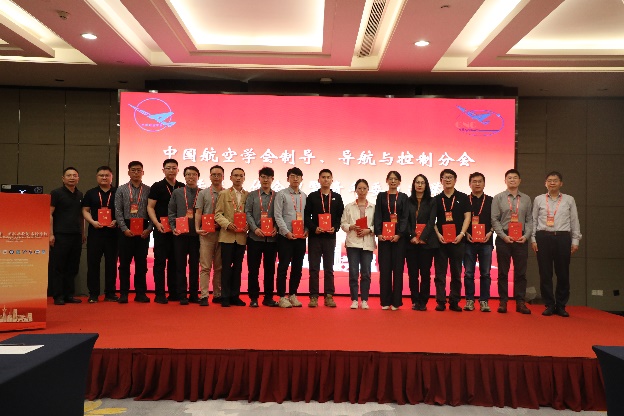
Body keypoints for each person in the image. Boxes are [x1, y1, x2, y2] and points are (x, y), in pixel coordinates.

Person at [531, 171, 581, 317]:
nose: (552, 183)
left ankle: (561, 305)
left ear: (561, 183)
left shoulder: (569, 199)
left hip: (562, 237)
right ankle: (549, 304)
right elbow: (534, 220)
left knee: (563, 273)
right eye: (549, 180)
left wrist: (575, 240)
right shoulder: (539, 199)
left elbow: (574, 220)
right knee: (545, 273)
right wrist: (533, 239)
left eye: (555, 180)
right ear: (545, 183)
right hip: (543, 237)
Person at [491, 169, 533, 314]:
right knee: (503, 272)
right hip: (504, 238)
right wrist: (503, 236)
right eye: (509, 178)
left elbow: (529, 220)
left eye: (515, 178)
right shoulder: (498, 198)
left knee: (521, 273)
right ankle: (503, 302)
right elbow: (494, 219)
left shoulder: (526, 199)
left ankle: (520, 302)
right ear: (505, 181)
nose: (512, 180)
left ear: (520, 180)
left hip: (521, 238)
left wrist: (526, 236)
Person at [304, 169, 345, 308]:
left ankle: (329, 296)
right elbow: (306, 216)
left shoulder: (337, 197)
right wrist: (314, 228)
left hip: (330, 237)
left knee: (329, 268)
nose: (326, 179)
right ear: (319, 180)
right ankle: (313, 296)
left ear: (332, 180)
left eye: (328, 177)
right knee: (314, 268)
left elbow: (340, 217)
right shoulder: (312, 196)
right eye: (323, 177)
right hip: (315, 237)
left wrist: (335, 227)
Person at [114, 161, 152, 304]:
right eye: (133, 170)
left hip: (143, 228)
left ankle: (140, 293)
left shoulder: (149, 190)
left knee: (141, 263)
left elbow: (152, 210)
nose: (136, 173)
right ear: (128, 172)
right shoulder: (121, 189)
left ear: (143, 172)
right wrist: (124, 228)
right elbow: (118, 211)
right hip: (126, 228)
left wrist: (149, 228)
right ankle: (123, 293)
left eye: (139, 170)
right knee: (124, 263)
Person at [147, 159, 184, 304]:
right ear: (163, 170)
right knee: (160, 262)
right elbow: (150, 207)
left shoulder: (182, 187)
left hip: (177, 230)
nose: (171, 170)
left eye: (174, 168)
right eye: (168, 168)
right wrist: (156, 224)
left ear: (178, 170)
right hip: (161, 229)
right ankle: (160, 294)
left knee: (175, 262)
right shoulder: (157, 186)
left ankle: (174, 293)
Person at [433, 169, 471, 312]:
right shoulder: (436, 199)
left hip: (458, 241)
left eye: (450, 177)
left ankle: (454, 301)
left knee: (456, 273)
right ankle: (441, 301)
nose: (448, 180)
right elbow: (432, 220)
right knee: (440, 274)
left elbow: (467, 217)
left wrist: (462, 234)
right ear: (441, 180)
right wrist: (438, 234)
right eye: (445, 177)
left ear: (455, 180)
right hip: (441, 242)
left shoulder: (463, 197)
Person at [82, 166, 118, 303]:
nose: (104, 177)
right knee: (93, 264)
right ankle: (93, 294)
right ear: (97, 177)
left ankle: (110, 293)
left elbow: (122, 210)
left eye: (107, 175)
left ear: (111, 177)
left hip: (113, 233)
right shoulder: (90, 193)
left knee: (111, 264)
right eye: (101, 175)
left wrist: (116, 221)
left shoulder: (118, 192)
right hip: (95, 233)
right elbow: (85, 210)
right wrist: (92, 222)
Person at [49, 167, 85, 305]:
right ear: (63, 178)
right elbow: (49, 214)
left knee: (72, 267)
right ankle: (58, 296)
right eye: (69, 175)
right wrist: (50, 234)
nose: (72, 178)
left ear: (78, 178)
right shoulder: (56, 193)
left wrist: (82, 233)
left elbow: (81, 216)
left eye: (74, 175)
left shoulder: (80, 194)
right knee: (59, 267)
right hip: (60, 235)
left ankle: (69, 295)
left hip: (76, 235)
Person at [374, 171, 409, 310]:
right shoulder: (381, 196)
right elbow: (378, 215)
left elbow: (405, 217)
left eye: (396, 179)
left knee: (398, 270)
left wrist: (399, 234)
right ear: (387, 180)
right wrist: (378, 233)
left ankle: (396, 301)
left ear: (399, 182)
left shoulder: (404, 197)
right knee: (385, 270)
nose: (393, 181)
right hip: (384, 238)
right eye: (391, 179)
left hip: (399, 239)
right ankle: (385, 301)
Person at [214, 167, 249, 307]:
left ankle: (235, 296)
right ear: (230, 177)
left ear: (244, 178)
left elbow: (250, 214)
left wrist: (248, 225)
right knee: (226, 268)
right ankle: (225, 296)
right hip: (227, 236)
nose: (238, 178)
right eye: (236, 175)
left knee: (238, 268)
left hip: (241, 237)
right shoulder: (224, 194)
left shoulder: (248, 195)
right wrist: (227, 224)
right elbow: (218, 214)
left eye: (241, 175)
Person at [244, 167, 279, 308]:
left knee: (270, 270)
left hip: (272, 239)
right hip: (254, 238)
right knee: (253, 269)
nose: (266, 180)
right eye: (263, 177)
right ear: (259, 178)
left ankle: (268, 297)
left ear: (272, 179)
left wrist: (276, 227)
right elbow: (247, 213)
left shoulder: (277, 196)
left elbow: (280, 214)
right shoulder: (252, 195)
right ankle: (253, 297)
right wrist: (255, 228)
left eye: (268, 177)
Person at [274, 167, 308, 308]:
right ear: (288, 178)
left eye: (298, 176)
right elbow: (278, 215)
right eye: (292, 176)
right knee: (283, 266)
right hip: (285, 237)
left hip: (300, 238)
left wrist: (306, 230)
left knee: (297, 267)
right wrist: (286, 232)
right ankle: (282, 296)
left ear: (301, 179)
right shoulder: (281, 194)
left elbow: (307, 216)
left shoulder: (304, 196)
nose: (295, 179)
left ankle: (293, 294)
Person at [168, 166, 201, 305]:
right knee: (180, 266)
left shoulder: (203, 193)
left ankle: (194, 294)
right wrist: (173, 227)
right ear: (184, 176)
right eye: (188, 174)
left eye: (194, 174)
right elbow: (171, 212)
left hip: (197, 236)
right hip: (180, 235)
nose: (191, 177)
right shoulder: (177, 192)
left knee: (195, 266)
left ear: (198, 177)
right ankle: (182, 294)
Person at [341, 179, 375, 309]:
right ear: (355, 190)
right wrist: (351, 226)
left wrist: (369, 230)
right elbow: (343, 224)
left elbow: (377, 225)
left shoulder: (373, 207)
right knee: (354, 273)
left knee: (366, 273)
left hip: (367, 243)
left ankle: (364, 300)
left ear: (368, 190)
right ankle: (354, 299)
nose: (362, 191)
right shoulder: (349, 207)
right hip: (353, 244)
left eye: (364, 188)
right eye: (359, 188)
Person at [406, 174, 438, 311]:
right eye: (417, 182)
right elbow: (405, 221)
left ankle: (423, 301)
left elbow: (432, 221)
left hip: (427, 243)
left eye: (422, 182)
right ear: (414, 185)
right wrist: (412, 236)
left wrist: (422, 237)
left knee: (425, 273)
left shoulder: (432, 201)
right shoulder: (408, 201)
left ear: (426, 185)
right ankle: (415, 300)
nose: (419, 185)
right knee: (413, 274)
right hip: (411, 243)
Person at [463, 172, 494, 312]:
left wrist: (490, 232)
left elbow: (496, 219)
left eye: (479, 181)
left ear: (484, 183)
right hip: (468, 241)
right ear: (469, 184)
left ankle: (484, 301)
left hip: (486, 241)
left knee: (485, 273)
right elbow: (460, 219)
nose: (477, 184)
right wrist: (466, 233)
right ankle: (469, 300)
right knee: (469, 273)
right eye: (474, 181)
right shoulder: (464, 200)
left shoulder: (491, 200)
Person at [195, 165, 225, 306]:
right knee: (205, 266)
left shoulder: (227, 193)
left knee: (219, 267)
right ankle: (204, 295)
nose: (216, 177)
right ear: (210, 176)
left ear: (223, 177)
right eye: (214, 174)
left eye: (219, 174)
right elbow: (198, 212)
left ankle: (217, 294)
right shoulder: (203, 193)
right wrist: (197, 228)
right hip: (206, 234)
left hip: (223, 233)